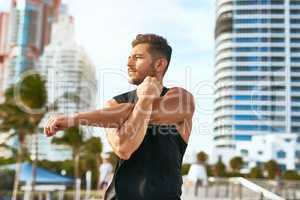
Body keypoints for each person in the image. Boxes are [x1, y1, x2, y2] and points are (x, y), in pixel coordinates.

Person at [44, 33, 195, 200]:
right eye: (129, 57)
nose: (128, 63)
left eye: (137, 58)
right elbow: (124, 148)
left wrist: (76, 118)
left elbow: (141, 114)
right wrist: (145, 99)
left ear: (159, 64)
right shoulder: (114, 103)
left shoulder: (181, 99)